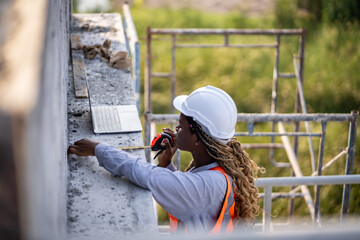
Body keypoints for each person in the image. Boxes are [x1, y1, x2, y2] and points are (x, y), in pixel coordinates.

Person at [68, 85, 260, 235]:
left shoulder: (209, 185)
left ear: (197, 137)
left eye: (181, 126)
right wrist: (166, 164)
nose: (176, 130)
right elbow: (186, 194)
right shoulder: (215, 170)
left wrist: (98, 149)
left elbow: (150, 176)